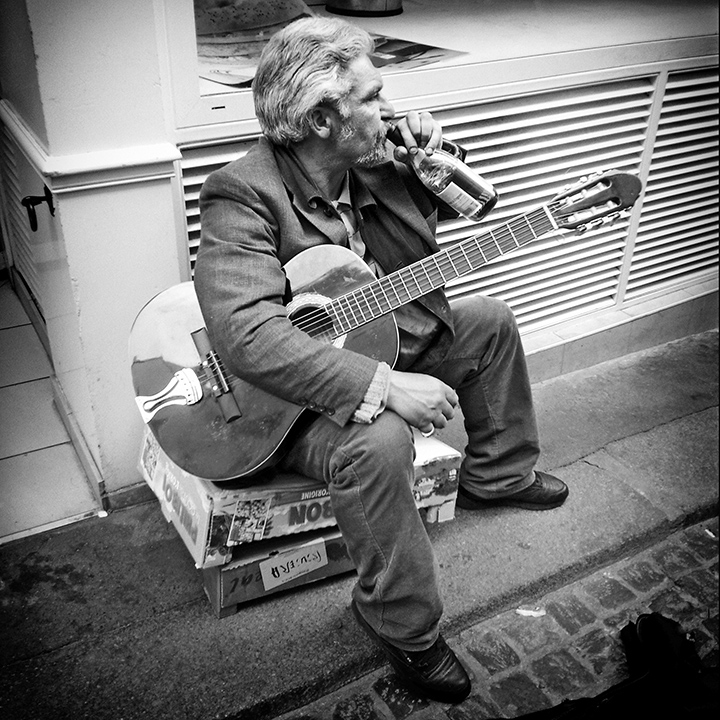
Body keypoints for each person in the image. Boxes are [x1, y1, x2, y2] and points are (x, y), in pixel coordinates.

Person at [194, 16, 568, 705]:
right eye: (371, 97)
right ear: (322, 119)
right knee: (380, 440)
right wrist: (384, 385)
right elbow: (246, 336)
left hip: (386, 330)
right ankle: (404, 628)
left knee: (487, 323)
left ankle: (500, 473)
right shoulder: (240, 193)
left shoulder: (378, 158)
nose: (388, 107)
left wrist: (438, 163)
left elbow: (474, 211)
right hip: (285, 402)